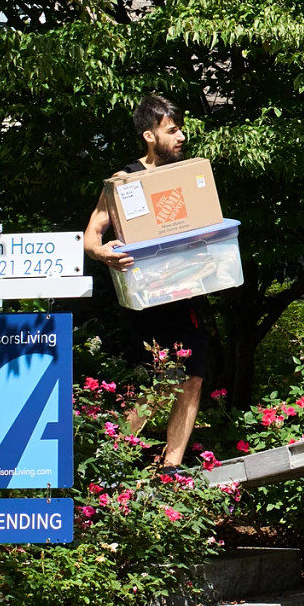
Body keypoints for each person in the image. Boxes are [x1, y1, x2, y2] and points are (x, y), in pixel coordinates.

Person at [83, 94, 212, 468]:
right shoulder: (124, 182)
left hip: (188, 294)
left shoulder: (189, 178)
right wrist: (105, 253)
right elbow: (91, 236)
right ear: (149, 135)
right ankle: (116, 461)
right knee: (162, 383)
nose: (182, 136)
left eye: (181, 128)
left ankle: (171, 469)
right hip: (148, 297)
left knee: (193, 380)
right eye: (172, 130)